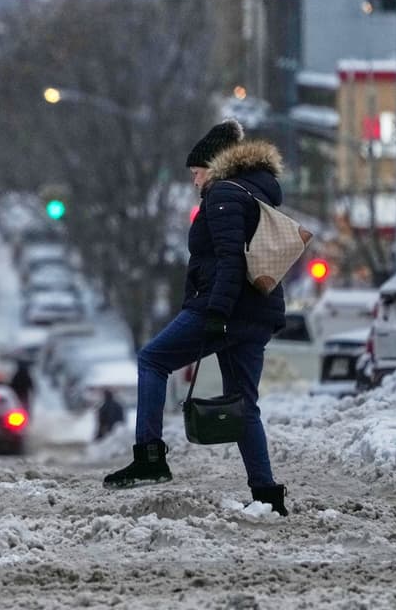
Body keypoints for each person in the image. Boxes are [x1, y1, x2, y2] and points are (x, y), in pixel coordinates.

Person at [103, 119, 290, 516]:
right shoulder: (256, 192)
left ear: (215, 164)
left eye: (196, 172)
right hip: (257, 312)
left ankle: (150, 455)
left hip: (225, 308)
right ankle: (267, 495)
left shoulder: (222, 194)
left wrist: (216, 314)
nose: (194, 181)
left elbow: (228, 260)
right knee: (245, 405)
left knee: (152, 360)